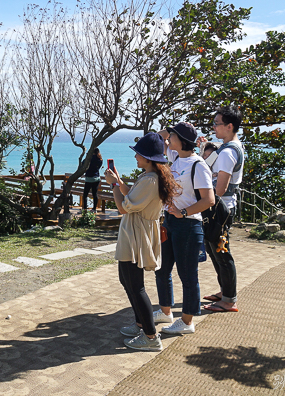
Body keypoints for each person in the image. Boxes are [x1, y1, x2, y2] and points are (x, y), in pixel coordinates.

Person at [105, 132, 178, 352]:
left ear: (148, 157)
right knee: (126, 280)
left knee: (135, 285)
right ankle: (141, 324)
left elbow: (123, 206)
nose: (135, 157)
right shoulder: (150, 176)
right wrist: (119, 182)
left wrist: (114, 186)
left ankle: (150, 336)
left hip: (136, 234)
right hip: (134, 232)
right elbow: (132, 198)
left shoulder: (150, 180)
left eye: (138, 154)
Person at [154, 122, 214, 335]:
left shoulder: (198, 165)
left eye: (173, 136)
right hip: (170, 223)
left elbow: (209, 199)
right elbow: (160, 136)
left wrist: (184, 212)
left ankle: (187, 322)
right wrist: (172, 130)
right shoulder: (176, 158)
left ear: (182, 140)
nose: (169, 139)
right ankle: (165, 311)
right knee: (162, 269)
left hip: (188, 226)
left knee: (187, 275)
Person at [197, 105, 245, 313]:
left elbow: (220, 188)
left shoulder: (227, 153)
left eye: (217, 124)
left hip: (220, 209)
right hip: (221, 207)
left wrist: (201, 200)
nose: (214, 128)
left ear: (229, 126)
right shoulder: (229, 148)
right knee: (215, 250)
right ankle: (225, 292)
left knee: (221, 253)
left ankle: (229, 300)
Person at [82, 148, 103, 213]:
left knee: (85, 194)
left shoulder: (89, 159)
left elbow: (83, 163)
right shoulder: (100, 159)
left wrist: (87, 156)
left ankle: (84, 209)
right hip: (96, 178)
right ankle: (94, 209)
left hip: (89, 178)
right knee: (95, 194)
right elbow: (98, 167)